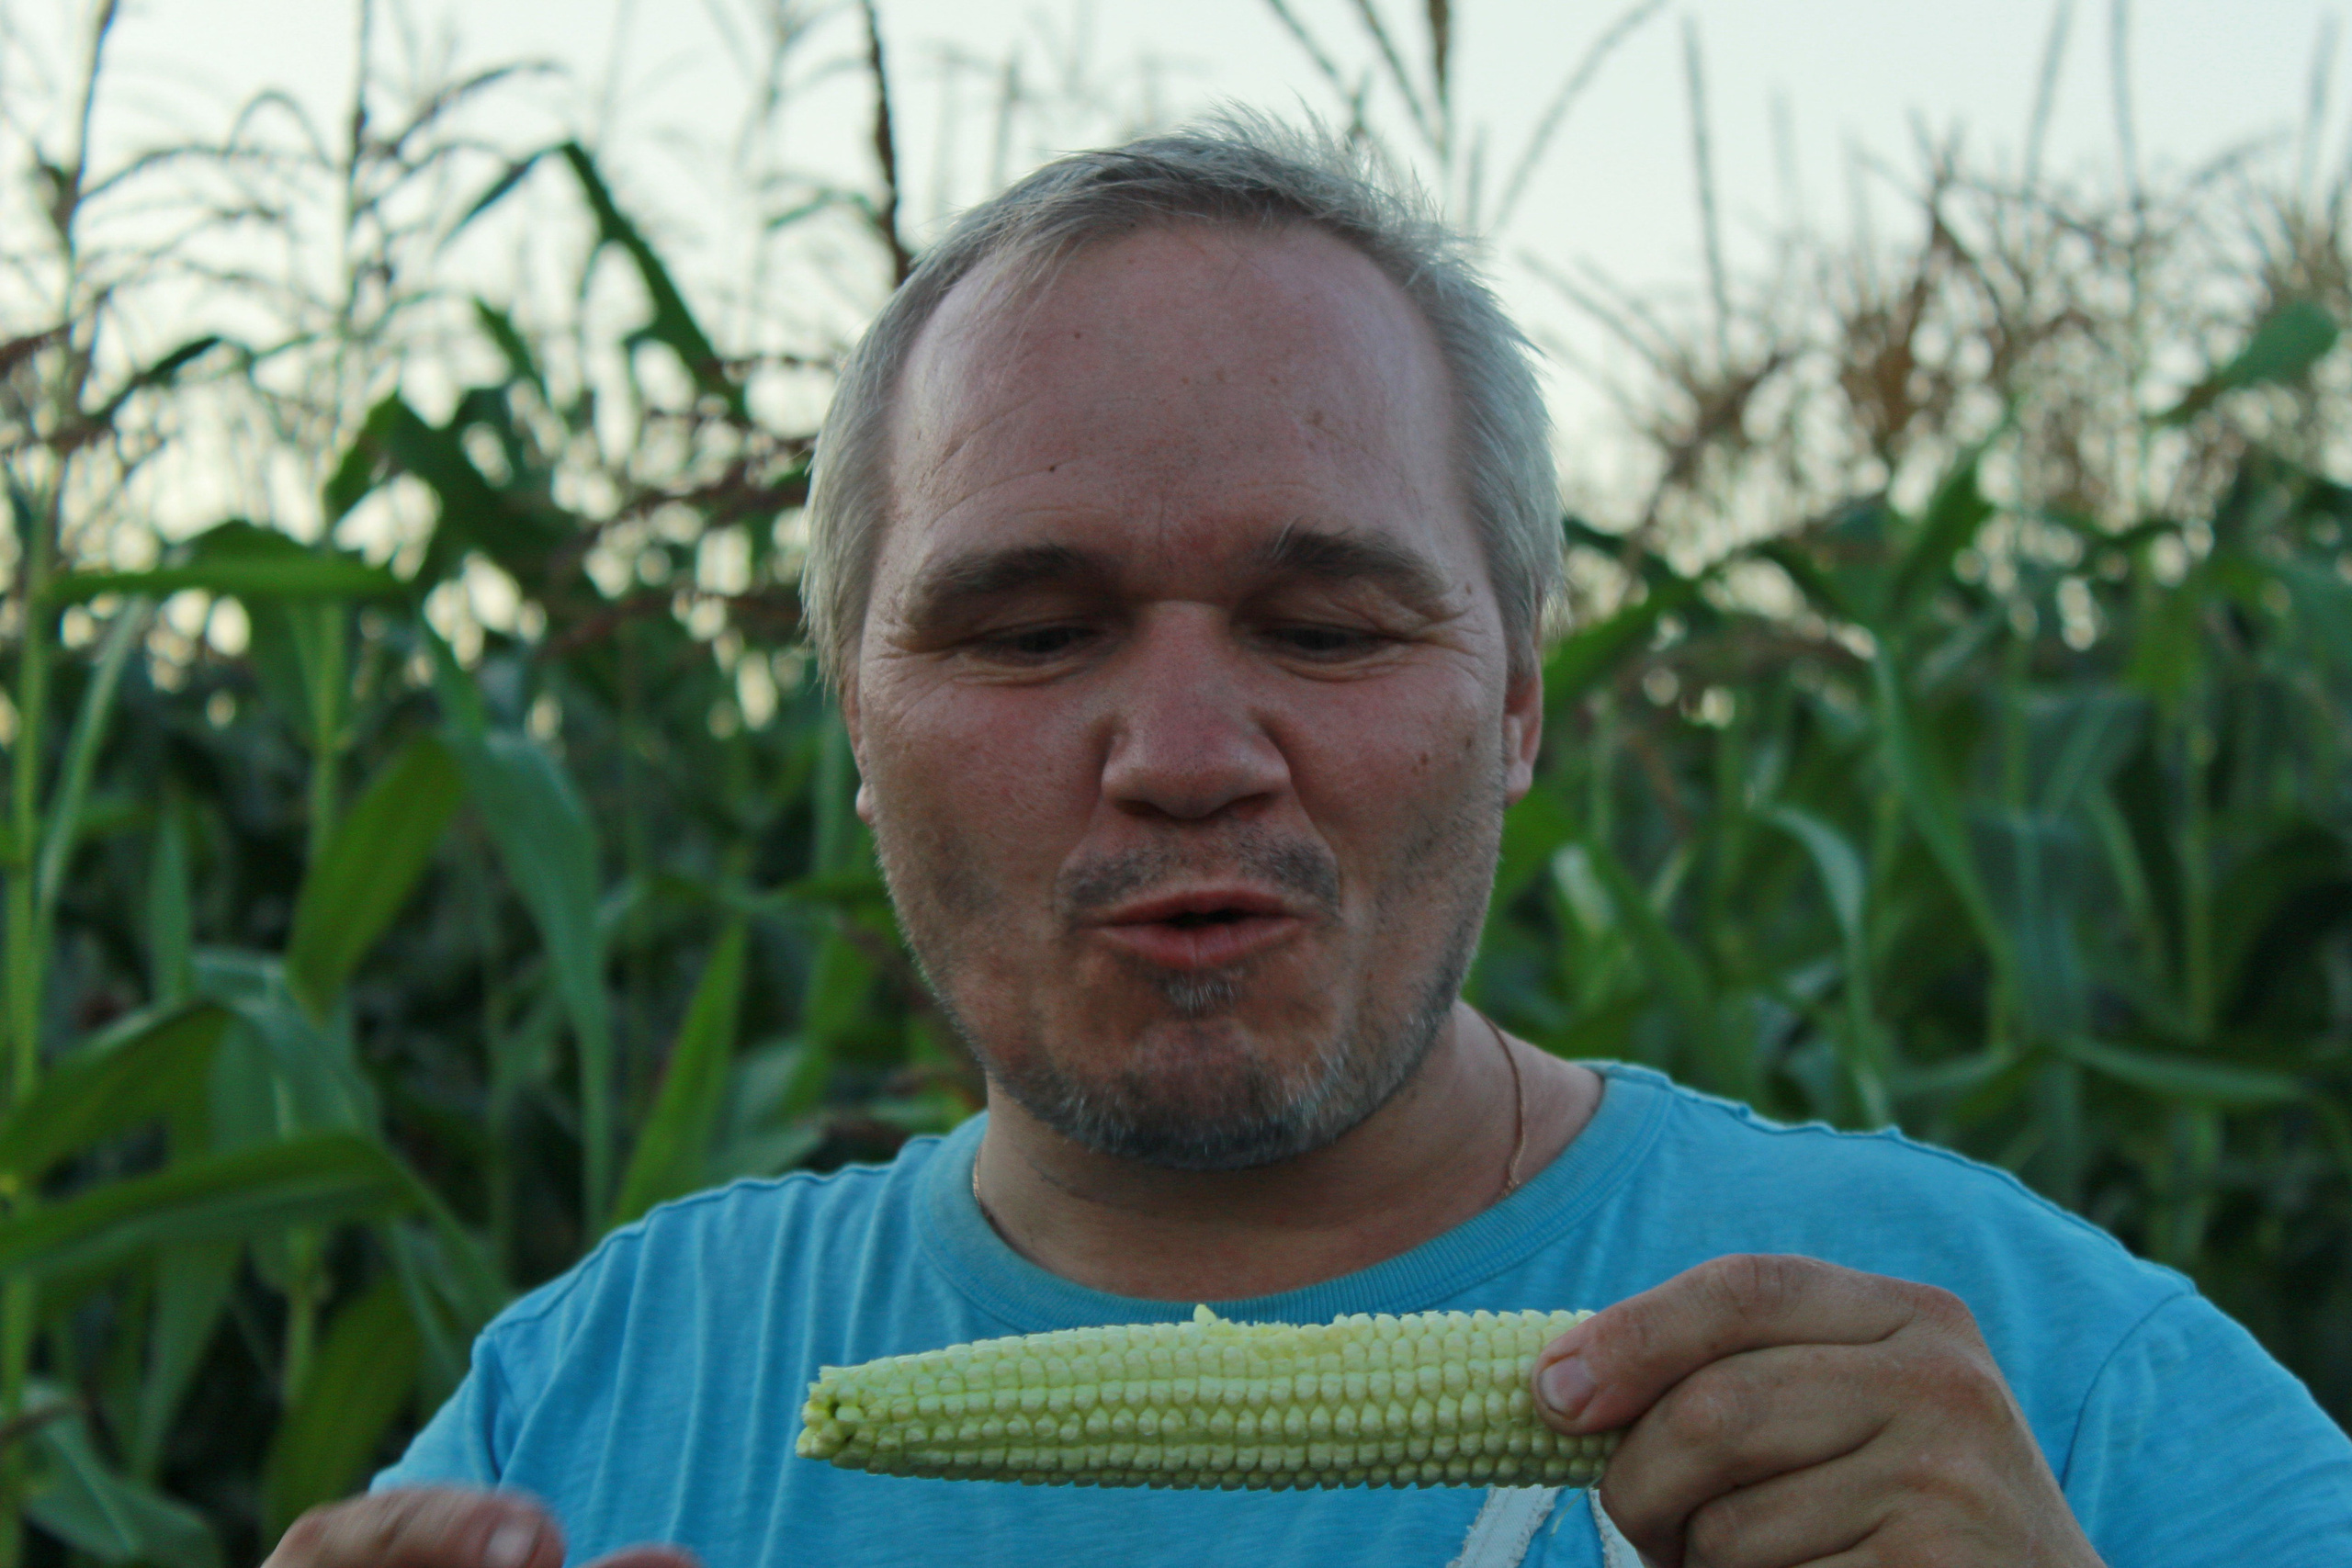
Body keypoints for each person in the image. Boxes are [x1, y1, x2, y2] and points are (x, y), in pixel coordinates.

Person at [270, 116, 2352, 1568]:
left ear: (1518, 701)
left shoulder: (2034, 1373)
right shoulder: (595, 1394)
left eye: (1328, 626)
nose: (1184, 753)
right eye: (1027, 630)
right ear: (851, 732)